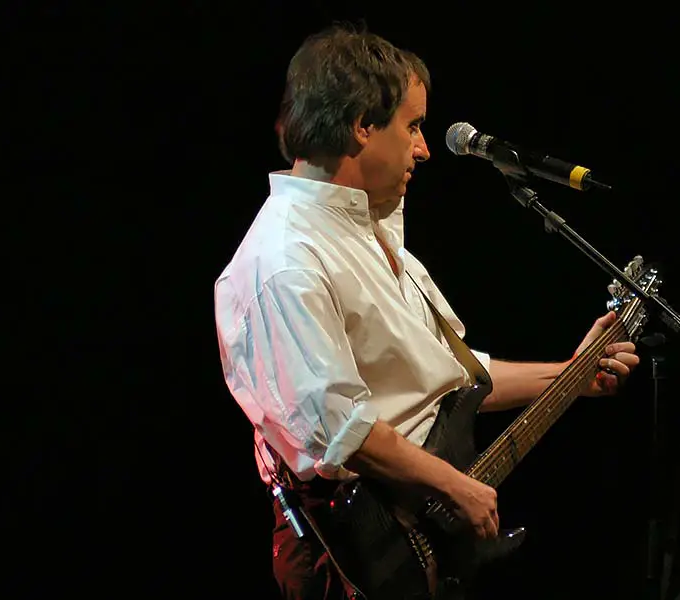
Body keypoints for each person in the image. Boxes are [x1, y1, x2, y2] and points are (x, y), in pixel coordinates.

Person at [213, 24, 640, 600]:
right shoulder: (285, 260)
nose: (424, 148)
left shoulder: (367, 229)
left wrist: (571, 375)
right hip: (357, 562)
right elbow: (341, 431)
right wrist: (455, 486)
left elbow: (446, 378)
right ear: (362, 125)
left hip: (420, 539)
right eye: (412, 126)